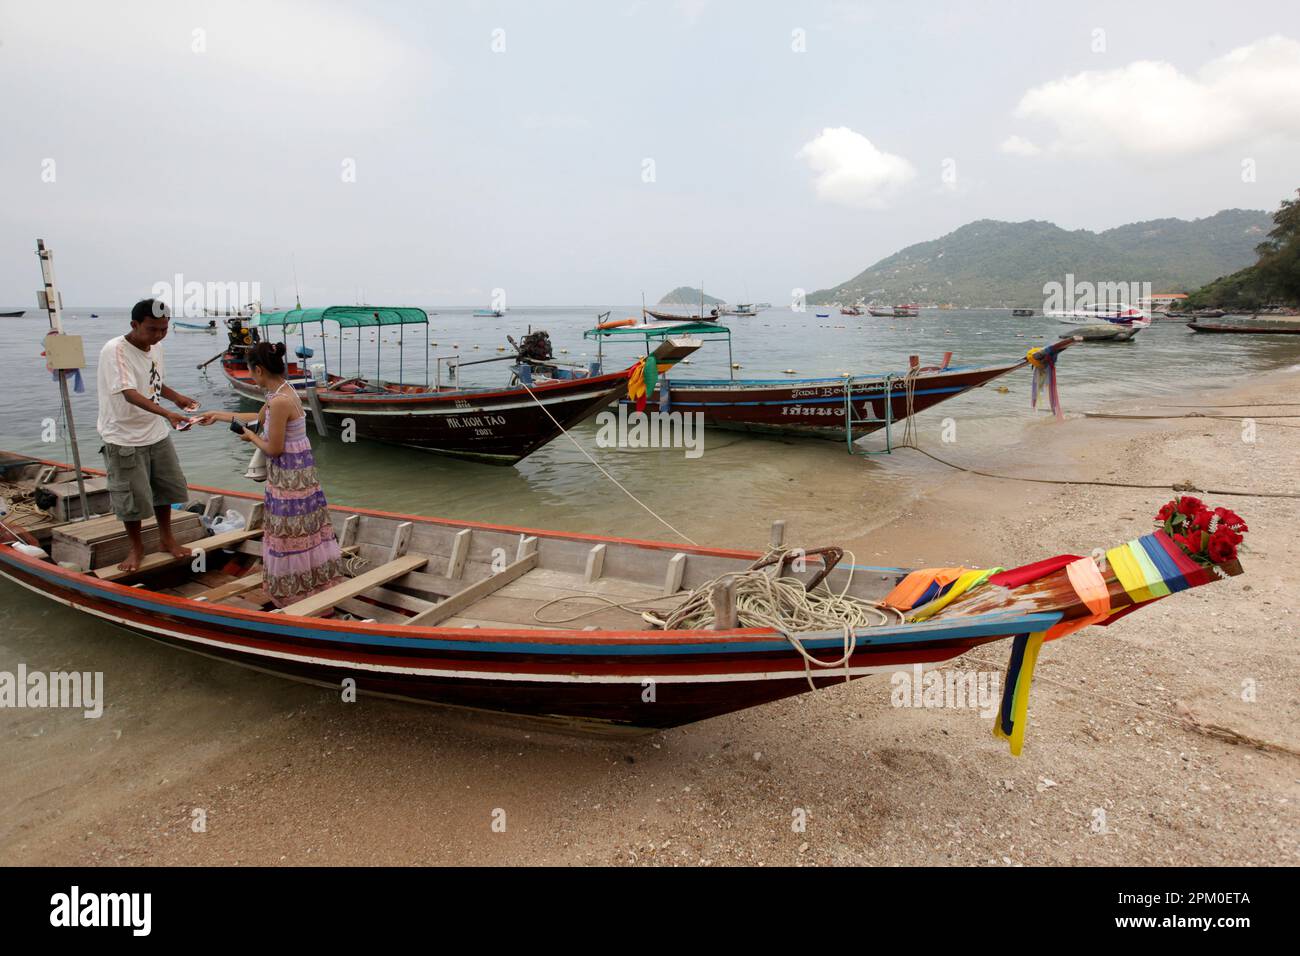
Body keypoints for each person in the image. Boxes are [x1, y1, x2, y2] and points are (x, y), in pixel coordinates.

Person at [199, 342, 345, 607]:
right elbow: (259, 417)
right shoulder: (284, 390)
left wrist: (251, 436)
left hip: (288, 478)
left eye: (250, 372)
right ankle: (315, 582)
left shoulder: (278, 400)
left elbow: (274, 449)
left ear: (258, 370)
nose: (251, 377)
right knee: (306, 531)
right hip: (301, 476)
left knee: (288, 535)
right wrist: (217, 415)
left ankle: (295, 593)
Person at [96, 298, 202, 572]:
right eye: (152, 329)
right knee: (132, 498)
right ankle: (137, 547)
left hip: (155, 433)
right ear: (134, 324)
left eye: (163, 329)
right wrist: (167, 413)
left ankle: (167, 540)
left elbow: (153, 380)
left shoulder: (156, 348)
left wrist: (176, 398)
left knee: (166, 488)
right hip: (123, 436)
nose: (158, 336)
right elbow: (129, 393)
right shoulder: (115, 350)